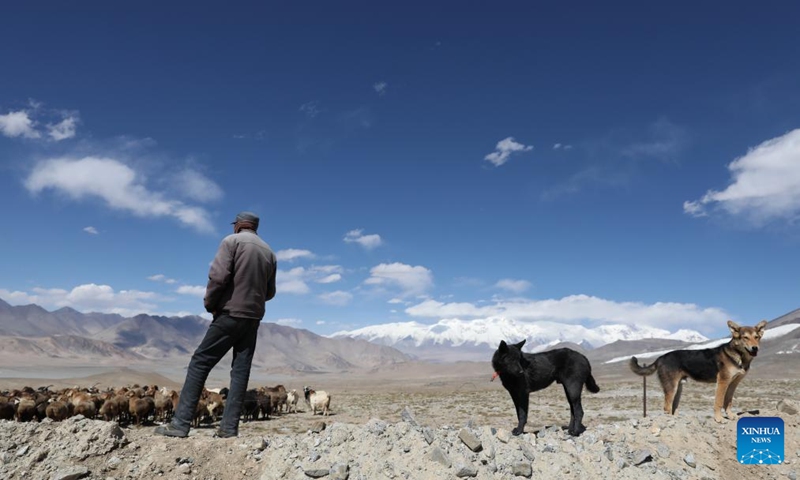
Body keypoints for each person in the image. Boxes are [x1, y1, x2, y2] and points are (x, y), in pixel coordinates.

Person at [155, 211, 277, 438]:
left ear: (239, 225)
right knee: (240, 372)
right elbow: (270, 292)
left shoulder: (231, 241)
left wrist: (210, 304)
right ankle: (229, 429)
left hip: (229, 314)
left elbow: (218, 277)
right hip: (253, 318)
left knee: (200, 362)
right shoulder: (269, 252)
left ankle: (180, 424)